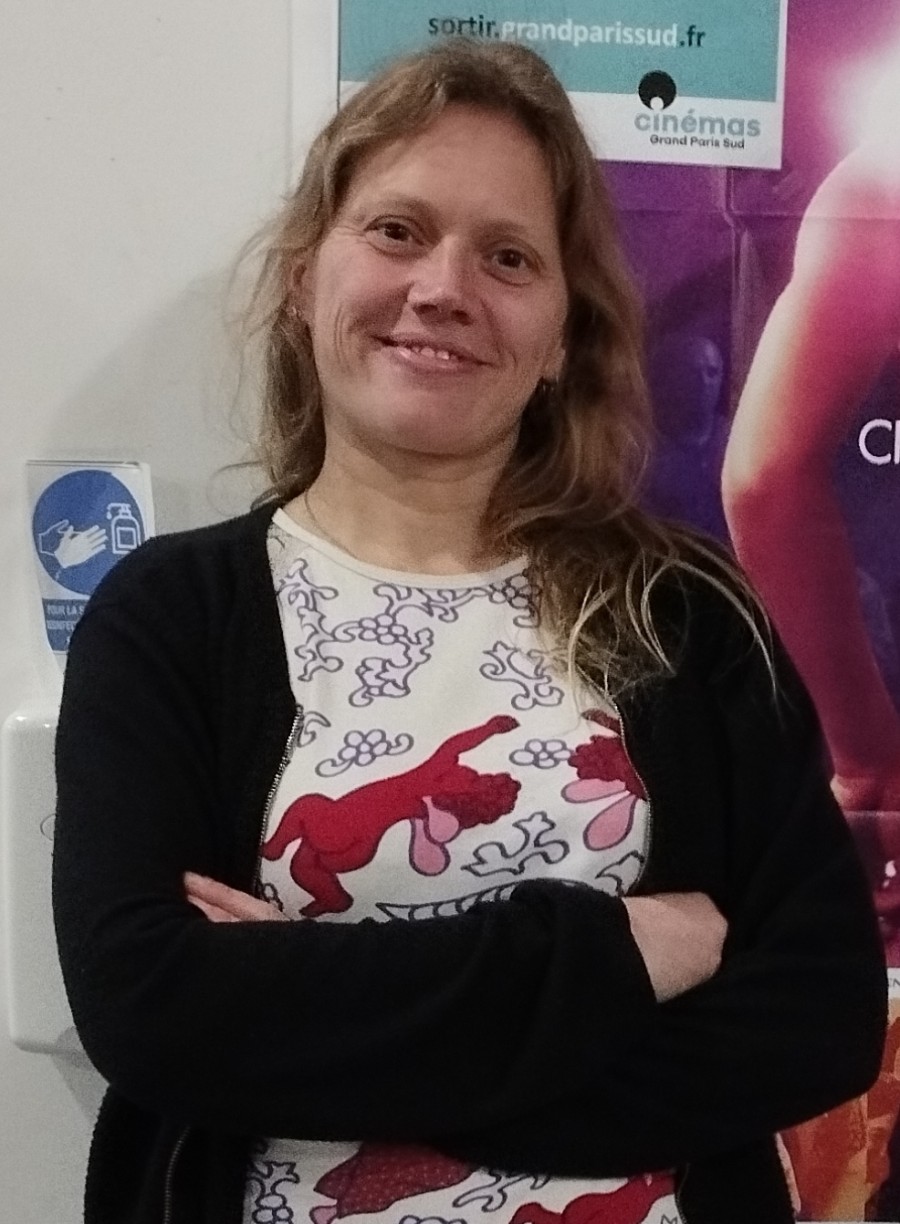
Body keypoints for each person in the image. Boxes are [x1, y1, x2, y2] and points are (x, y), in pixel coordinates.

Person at [51, 39, 886, 1224]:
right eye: (398, 231)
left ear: (560, 337)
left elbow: (816, 1020)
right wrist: (614, 956)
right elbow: (155, 1014)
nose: (444, 288)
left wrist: (313, 1020)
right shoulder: (169, 620)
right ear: (304, 278)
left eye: (508, 257)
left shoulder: (687, 617)